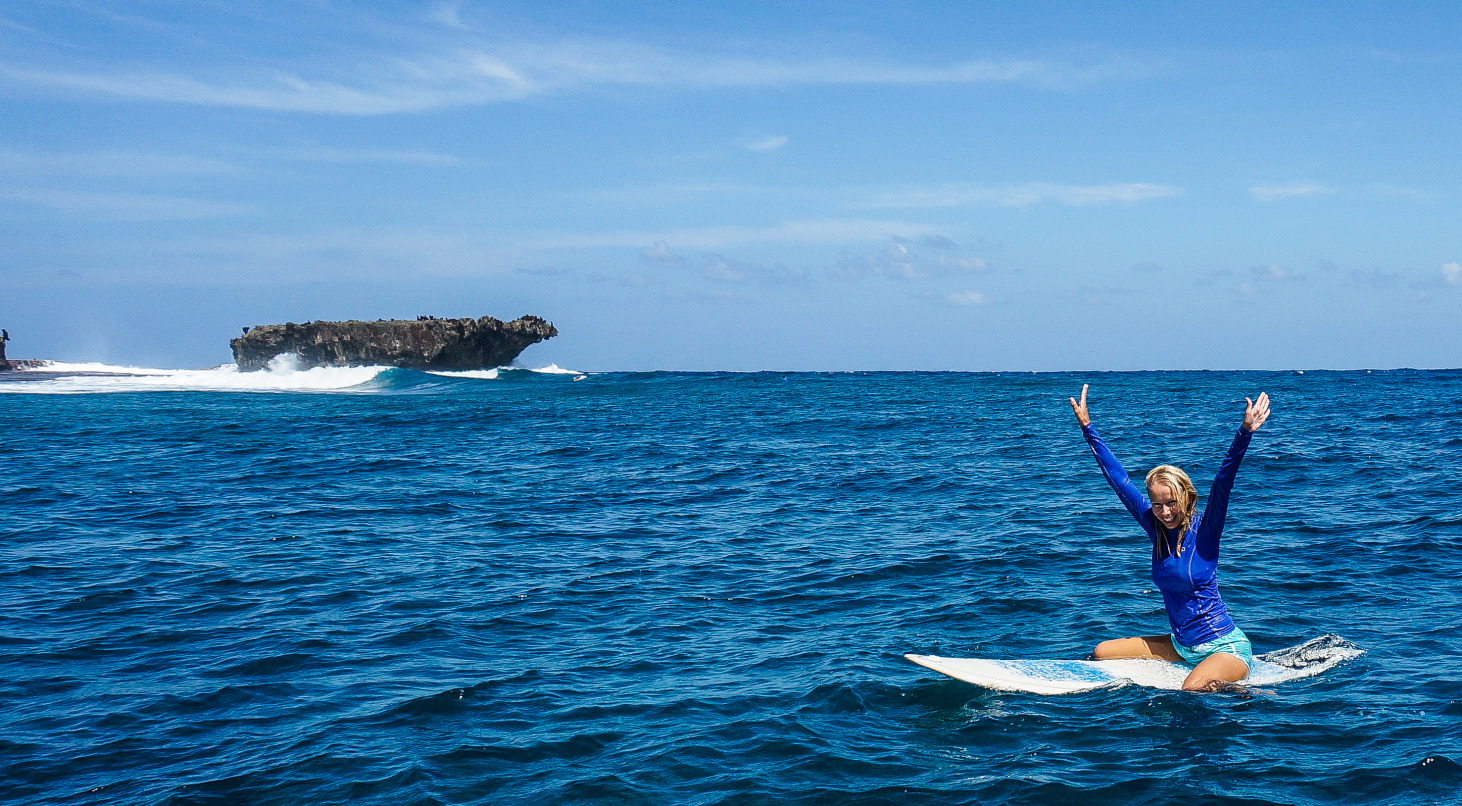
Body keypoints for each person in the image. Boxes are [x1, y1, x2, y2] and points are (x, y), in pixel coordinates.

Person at [1068, 384, 1270, 692]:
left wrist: (1244, 432)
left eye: (1171, 502)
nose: (1164, 511)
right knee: (1101, 653)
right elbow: (1119, 481)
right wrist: (1087, 428)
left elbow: (1222, 482)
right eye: (1157, 504)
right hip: (1180, 645)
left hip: (1223, 646)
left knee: (1192, 689)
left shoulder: (1207, 530)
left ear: (1186, 498)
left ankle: (1242, 691)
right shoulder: (1156, 528)